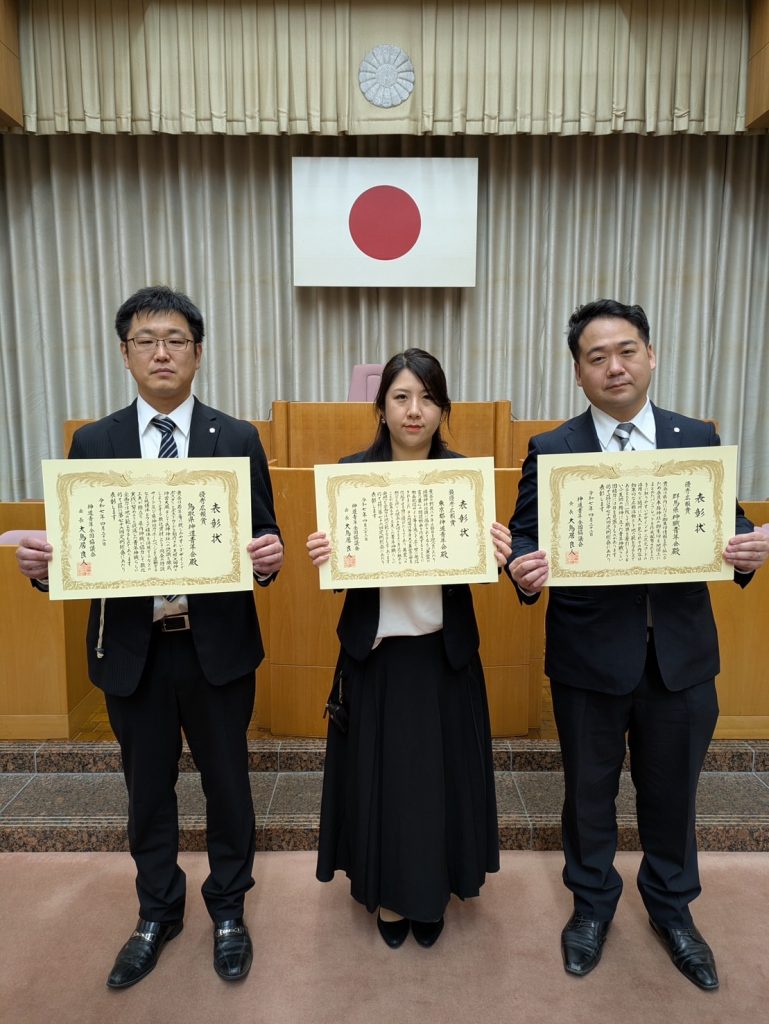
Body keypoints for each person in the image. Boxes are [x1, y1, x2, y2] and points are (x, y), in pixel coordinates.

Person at [15, 286, 283, 988]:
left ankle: (229, 909)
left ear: (198, 352)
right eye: (145, 340)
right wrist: (44, 569)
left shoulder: (237, 439)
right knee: (147, 793)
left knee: (229, 788)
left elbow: (264, 535)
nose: (161, 353)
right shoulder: (93, 443)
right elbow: (76, 553)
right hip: (133, 652)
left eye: (175, 340)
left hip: (216, 648)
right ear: (125, 353)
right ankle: (157, 912)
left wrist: (270, 557)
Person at [506, 299, 769, 991]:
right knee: (588, 794)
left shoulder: (696, 437)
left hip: (680, 657)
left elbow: (729, 526)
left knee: (673, 794)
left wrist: (748, 549)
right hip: (588, 659)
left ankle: (672, 910)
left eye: (626, 351)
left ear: (650, 356)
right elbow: (525, 535)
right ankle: (591, 907)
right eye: (596, 357)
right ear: (578, 373)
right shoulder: (552, 449)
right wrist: (523, 569)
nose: (614, 367)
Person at [307, 349, 510, 949]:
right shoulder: (351, 476)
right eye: (401, 397)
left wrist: (495, 554)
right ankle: (390, 894)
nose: (414, 410)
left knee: (437, 785)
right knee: (385, 787)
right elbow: (344, 577)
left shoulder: (464, 478)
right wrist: (329, 557)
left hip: (444, 656)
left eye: (427, 398)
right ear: (381, 407)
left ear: (443, 408)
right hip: (376, 657)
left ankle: (433, 892)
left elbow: (479, 572)